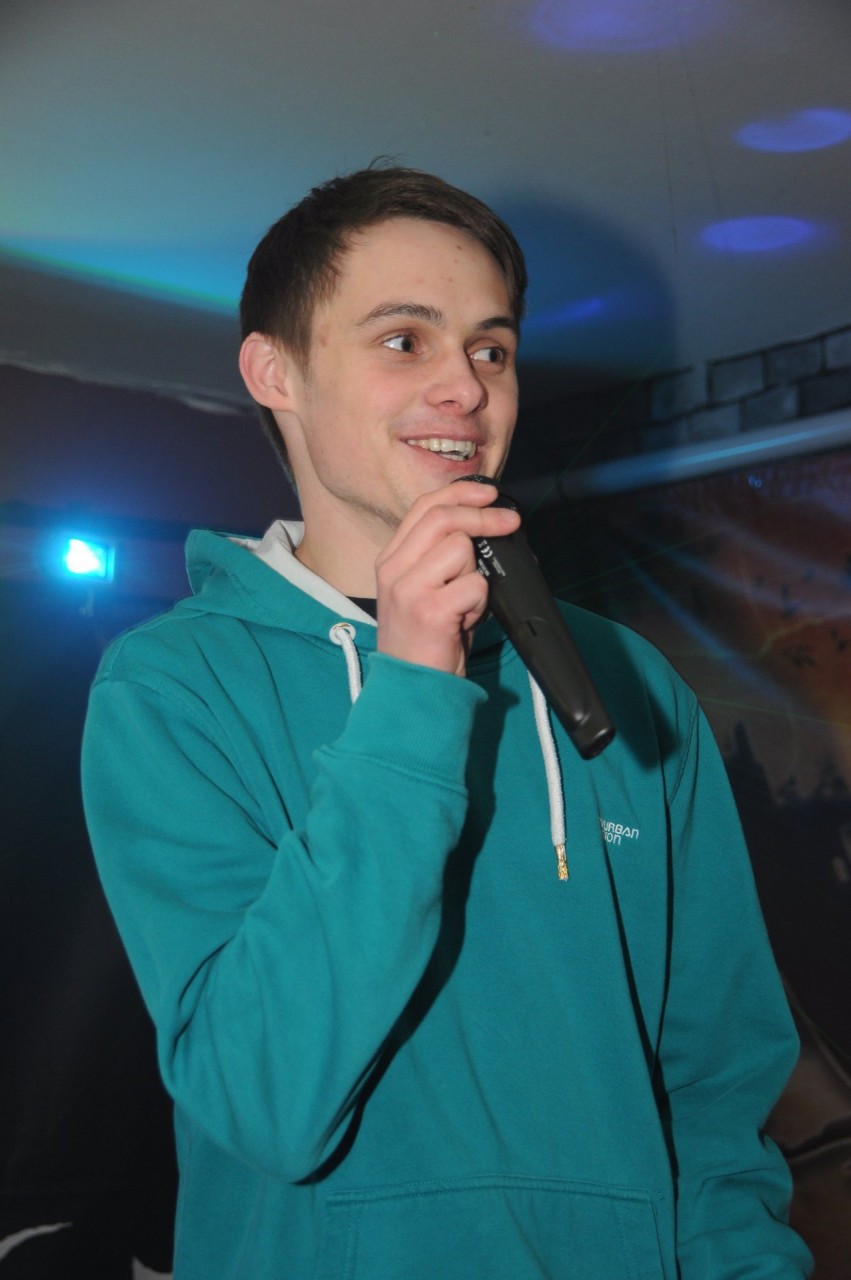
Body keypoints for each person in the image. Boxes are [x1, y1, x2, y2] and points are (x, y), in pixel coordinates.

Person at [81, 166, 812, 1279]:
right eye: (403, 340)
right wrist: (413, 683)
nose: (463, 387)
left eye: (490, 349)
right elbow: (266, 1098)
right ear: (275, 371)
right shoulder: (171, 687)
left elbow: (713, 1090)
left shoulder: (630, 679)